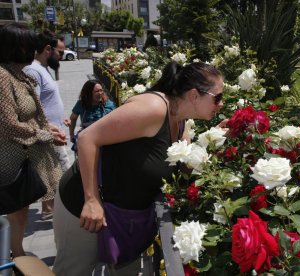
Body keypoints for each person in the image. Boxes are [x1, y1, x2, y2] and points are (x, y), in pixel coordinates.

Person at [53, 61, 224, 275]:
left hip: (122, 214)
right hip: (83, 205)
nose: (221, 104)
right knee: (73, 271)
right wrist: (91, 200)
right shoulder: (153, 108)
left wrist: (215, 141)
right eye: (217, 98)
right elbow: (87, 138)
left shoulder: (179, 120)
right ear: (194, 95)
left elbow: (186, 168)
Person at [0, 23, 66, 257]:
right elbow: (8, 124)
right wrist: (45, 134)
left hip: (30, 154)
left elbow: (28, 115)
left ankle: (17, 254)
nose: (34, 48)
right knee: (18, 211)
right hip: (15, 158)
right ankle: (16, 257)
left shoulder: (17, 74)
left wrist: (48, 127)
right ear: (16, 47)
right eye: (29, 44)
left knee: (23, 211)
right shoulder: (3, 77)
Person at [24, 30, 70, 219]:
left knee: (50, 172)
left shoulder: (42, 69)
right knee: (65, 172)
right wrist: (49, 127)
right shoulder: (34, 71)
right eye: (59, 52)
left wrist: (61, 118)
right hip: (49, 133)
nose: (60, 56)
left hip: (53, 130)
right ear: (47, 49)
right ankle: (66, 210)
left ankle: (49, 209)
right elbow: (32, 104)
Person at [67, 80, 116, 152]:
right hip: (88, 138)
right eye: (96, 91)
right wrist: (71, 135)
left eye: (101, 90)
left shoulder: (108, 104)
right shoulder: (81, 104)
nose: (100, 93)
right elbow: (73, 118)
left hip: (105, 138)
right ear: (88, 93)